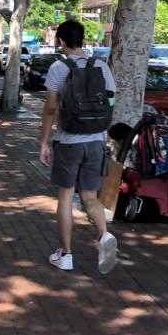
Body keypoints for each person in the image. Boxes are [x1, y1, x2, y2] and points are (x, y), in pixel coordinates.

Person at [39, 19, 118, 275]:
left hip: (69, 142)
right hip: (96, 141)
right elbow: (110, 102)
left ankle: (66, 254)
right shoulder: (102, 68)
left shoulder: (58, 68)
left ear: (61, 40)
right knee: (90, 197)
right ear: (82, 39)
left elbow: (51, 108)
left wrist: (43, 141)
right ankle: (104, 235)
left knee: (65, 197)